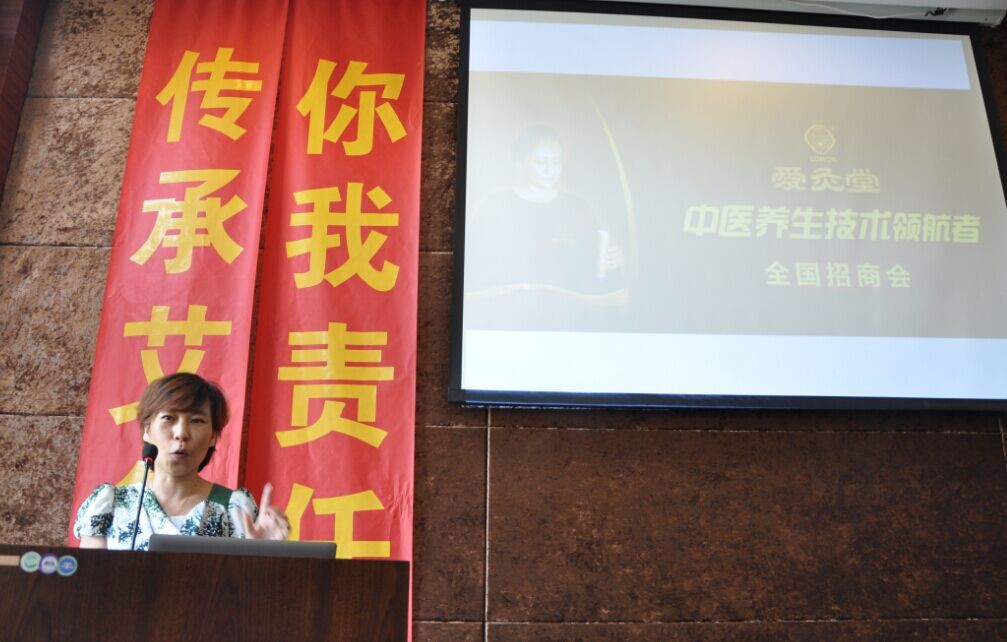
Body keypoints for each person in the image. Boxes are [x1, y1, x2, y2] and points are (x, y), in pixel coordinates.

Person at [74, 373, 289, 550]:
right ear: (147, 430)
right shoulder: (112, 505)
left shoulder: (236, 509)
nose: (181, 433)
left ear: (213, 437)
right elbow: (88, 581)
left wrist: (265, 553)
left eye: (196, 421)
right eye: (169, 418)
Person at [465, 125, 628, 329]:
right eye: (541, 162)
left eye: (556, 162)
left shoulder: (578, 207)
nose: (550, 170)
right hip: (509, 321)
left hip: (570, 322)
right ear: (521, 162)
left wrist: (612, 259)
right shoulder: (495, 205)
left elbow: (598, 270)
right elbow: (473, 266)